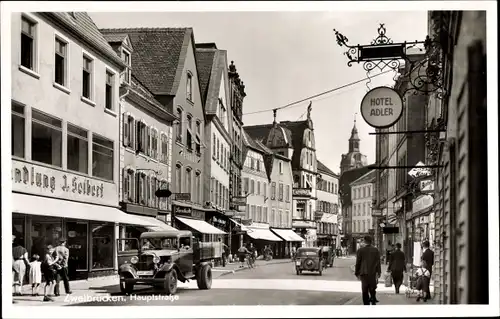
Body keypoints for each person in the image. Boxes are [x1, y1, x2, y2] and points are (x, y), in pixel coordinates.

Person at [354, 235, 381, 305]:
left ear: (364, 241)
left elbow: (358, 263)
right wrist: (379, 272)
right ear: (371, 241)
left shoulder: (360, 250)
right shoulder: (376, 250)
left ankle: (366, 304)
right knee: (372, 287)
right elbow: (378, 262)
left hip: (364, 273)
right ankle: (373, 299)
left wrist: (357, 272)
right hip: (373, 272)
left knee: (364, 290)